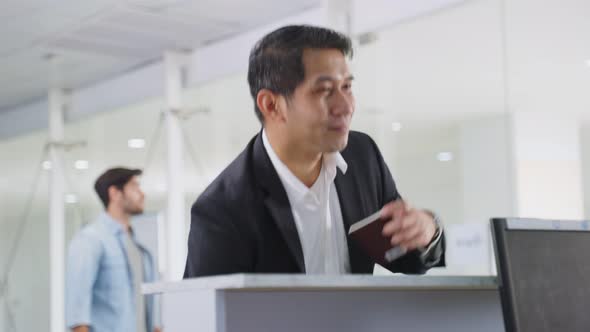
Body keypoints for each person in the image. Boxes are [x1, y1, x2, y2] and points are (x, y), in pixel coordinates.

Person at [184, 25, 444, 277]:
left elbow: (405, 258)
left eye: (347, 87)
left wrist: (425, 229)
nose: (346, 106)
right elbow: (206, 317)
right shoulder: (222, 211)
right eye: (325, 90)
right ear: (272, 105)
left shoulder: (363, 158)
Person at [65, 167, 161, 332]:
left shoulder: (139, 249)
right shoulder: (91, 239)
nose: (142, 194)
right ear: (115, 193)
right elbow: (77, 312)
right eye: (134, 187)